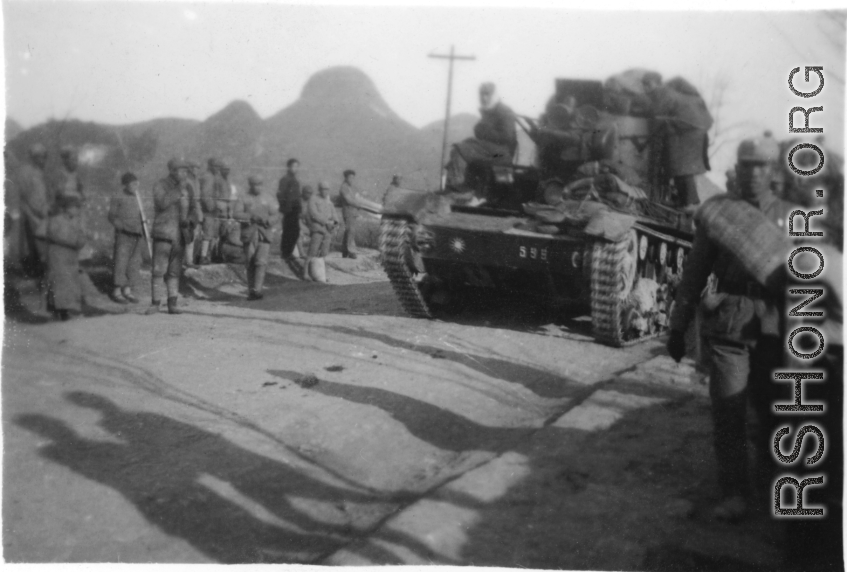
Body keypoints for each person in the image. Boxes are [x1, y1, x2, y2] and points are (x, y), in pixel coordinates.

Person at [666, 136, 798, 521]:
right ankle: (735, 493)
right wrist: (677, 326)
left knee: (775, 412)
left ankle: (774, 487)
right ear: (738, 169)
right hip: (730, 323)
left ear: (773, 171)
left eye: (761, 166)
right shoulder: (719, 213)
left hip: (777, 325)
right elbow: (694, 273)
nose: (753, 173)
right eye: (746, 165)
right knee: (728, 410)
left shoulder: (792, 215)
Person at [642, 72, 713, 208]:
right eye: (644, 85)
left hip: (686, 131)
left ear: (658, 83)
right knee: (681, 167)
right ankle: (686, 200)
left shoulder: (664, 93)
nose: (646, 88)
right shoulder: (672, 92)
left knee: (681, 167)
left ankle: (688, 202)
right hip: (691, 130)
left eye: (648, 84)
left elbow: (658, 111)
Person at [147, 158, 190, 315]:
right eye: (182, 171)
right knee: (158, 270)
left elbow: (191, 209)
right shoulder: (160, 185)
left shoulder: (186, 188)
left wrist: (189, 221)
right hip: (163, 233)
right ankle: (155, 304)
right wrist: (179, 191)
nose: (185, 174)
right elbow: (162, 203)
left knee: (174, 272)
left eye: (186, 171)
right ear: (172, 171)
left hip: (179, 235)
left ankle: (172, 303)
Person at [233, 175, 280, 300]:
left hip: (264, 234)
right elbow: (236, 214)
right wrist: (250, 217)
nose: (257, 187)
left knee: (261, 262)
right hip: (249, 234)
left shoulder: (268, 198)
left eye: (259, 184)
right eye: (254, 184)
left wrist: (268, 221)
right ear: (250, 185)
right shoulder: (243, 198)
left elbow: (276, 215)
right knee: (250, 262)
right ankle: (251, 291)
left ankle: (257, 289)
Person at [45, 195, 87, 321]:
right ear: (66, 208)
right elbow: (53, 235)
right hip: (58, 254)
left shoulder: (76, 221)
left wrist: (81, 242)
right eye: (74, 208)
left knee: (70, 282)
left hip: (71, 255)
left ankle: (66, 309)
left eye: (77, 208)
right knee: (59, 282)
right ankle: (59, 310)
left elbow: (81, 235)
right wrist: (72, 242)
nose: (76, 210)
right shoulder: (56, 220)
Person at [107, 172, 145, 304]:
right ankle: (117, 291)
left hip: (137, 234)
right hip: (124, 235)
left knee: (134, 263)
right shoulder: (118, 196)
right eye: (133, 183)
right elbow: (111, 216)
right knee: (121, 262)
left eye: (137, 183)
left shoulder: (138, 196)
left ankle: (128, 291)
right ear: (126, 184)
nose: (136, 185)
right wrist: (122, 227)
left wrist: (143, 226)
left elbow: (142, 215)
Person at [16, 143, 51, 279]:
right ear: (33, 158)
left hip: (42, 211)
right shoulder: (26, 172)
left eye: (44, 157)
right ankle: (33, 270)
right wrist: (35, 211)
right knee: (33, 241)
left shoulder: (41, 172)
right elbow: (25, 195)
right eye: (39, 157)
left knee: (42, 241)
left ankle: (40, 269)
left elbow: (45, 193)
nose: (42, 160)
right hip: (30, 212)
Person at [338, 169, 382, 259]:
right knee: (351, 231)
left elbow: (355, 198)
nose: (352, 179)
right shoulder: (344, 188)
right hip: (348, 211)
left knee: (349, 231)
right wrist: (359, 205)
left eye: (353, 178)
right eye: (350, 177)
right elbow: (348, 200)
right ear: (346, 178)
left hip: (352, 211)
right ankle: (351, 251)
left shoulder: (349, 188)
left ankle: (345, 250)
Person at [307, 181, 340, 282]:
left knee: (324, 252)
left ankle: (321, 274)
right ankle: (305, 273)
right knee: (312, 251)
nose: (325, 191)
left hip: (328, 230)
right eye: (323, 189)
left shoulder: (328, 200)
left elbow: (334, 213)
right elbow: (314, 214)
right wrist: (326, 222)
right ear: (319, 189)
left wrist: (335, 222)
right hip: (318, 228)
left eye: (327, 189)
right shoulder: (313, 199)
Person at [474, 82, 518, 159]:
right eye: (482, 94)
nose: (484, 98)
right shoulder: (488, 111)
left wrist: (484, 131)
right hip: (490, 150)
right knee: (464, 148)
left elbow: (507, 137)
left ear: (495, 95)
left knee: (465, 149)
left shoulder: (504, 111)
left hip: (502, 154)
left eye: (487, 94)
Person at [199, 158, 225, 265]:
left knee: (214, 234)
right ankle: (203, 256)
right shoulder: (208, 177)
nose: (217, 169)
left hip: (214, 209)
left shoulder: (215, 177)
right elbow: (205, 195)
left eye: (218, 167)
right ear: (210, 166)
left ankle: (209, 255)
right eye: (215, 166)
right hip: (209, 211)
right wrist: (212, 207)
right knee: (208, 234)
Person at [277, 158, 302, 260]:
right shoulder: (285, 179)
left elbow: (297, 195)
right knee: (288, 231)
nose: (295, 169)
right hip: (289, 209)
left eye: (296, 167)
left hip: (295, 209)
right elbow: (280, 194)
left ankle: (289, 252)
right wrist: (285, 207)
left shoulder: (295, 180)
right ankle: (285, 253)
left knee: (295, 231)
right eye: (293, 166)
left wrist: (299, 207)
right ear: (288, 167)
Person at [183, 160, 205, 267]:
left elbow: (198, 199)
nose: (196, 170)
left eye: (198, 168)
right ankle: (186, 261)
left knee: (194, 236)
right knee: (186, 236)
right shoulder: (186, 180)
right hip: (187, 210)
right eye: (194, 167)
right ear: (190, 168)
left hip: (196, 210)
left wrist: (200, 215)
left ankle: (189, 260)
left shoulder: (197, 181)